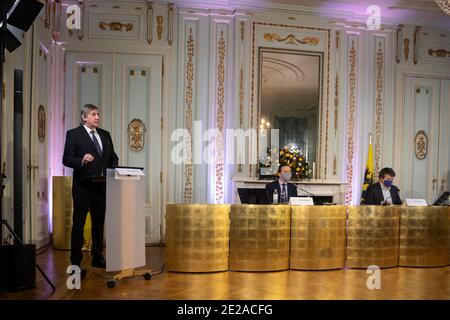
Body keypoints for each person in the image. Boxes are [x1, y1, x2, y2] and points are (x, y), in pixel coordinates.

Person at [62, 104, 119, 273]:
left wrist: (114, 170)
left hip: (102, 186)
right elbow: (66, 158)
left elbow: (113, 157)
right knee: (78, 224)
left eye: (98, 114)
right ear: (84, 117)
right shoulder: (74, 134)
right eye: (94, 114)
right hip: (83, 186)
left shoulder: (105, 135)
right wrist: (81, 160)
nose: (97, 117)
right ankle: (76, 263)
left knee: (99, 223)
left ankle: (97, 257)